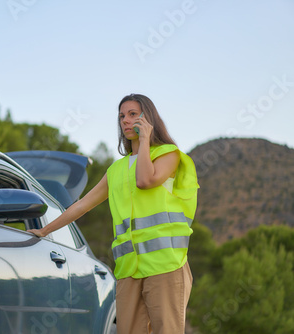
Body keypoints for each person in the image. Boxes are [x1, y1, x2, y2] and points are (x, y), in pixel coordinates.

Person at [27, 93, 199, 334]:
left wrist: (146, 140)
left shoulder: (168, 154)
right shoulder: (117, 169)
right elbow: (82, 205)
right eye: (121, 116)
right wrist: (44, 230)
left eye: (133, 114)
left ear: (148, 118)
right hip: (129, 269)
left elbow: (144, 180)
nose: (125, 121)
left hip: (166, 265)